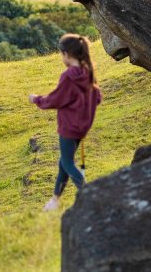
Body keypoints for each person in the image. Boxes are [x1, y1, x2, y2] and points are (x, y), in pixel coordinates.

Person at [29, 34, 102, 212]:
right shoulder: (87, 72)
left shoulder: (69, 75)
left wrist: (37, 99)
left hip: (69, 126)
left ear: (67, 54)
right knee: (63, 161)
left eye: (61, 54)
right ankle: (55, 199)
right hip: (82, 126)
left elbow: (56, 98)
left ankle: (88, 194)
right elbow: (97, 97)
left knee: (67, 162)